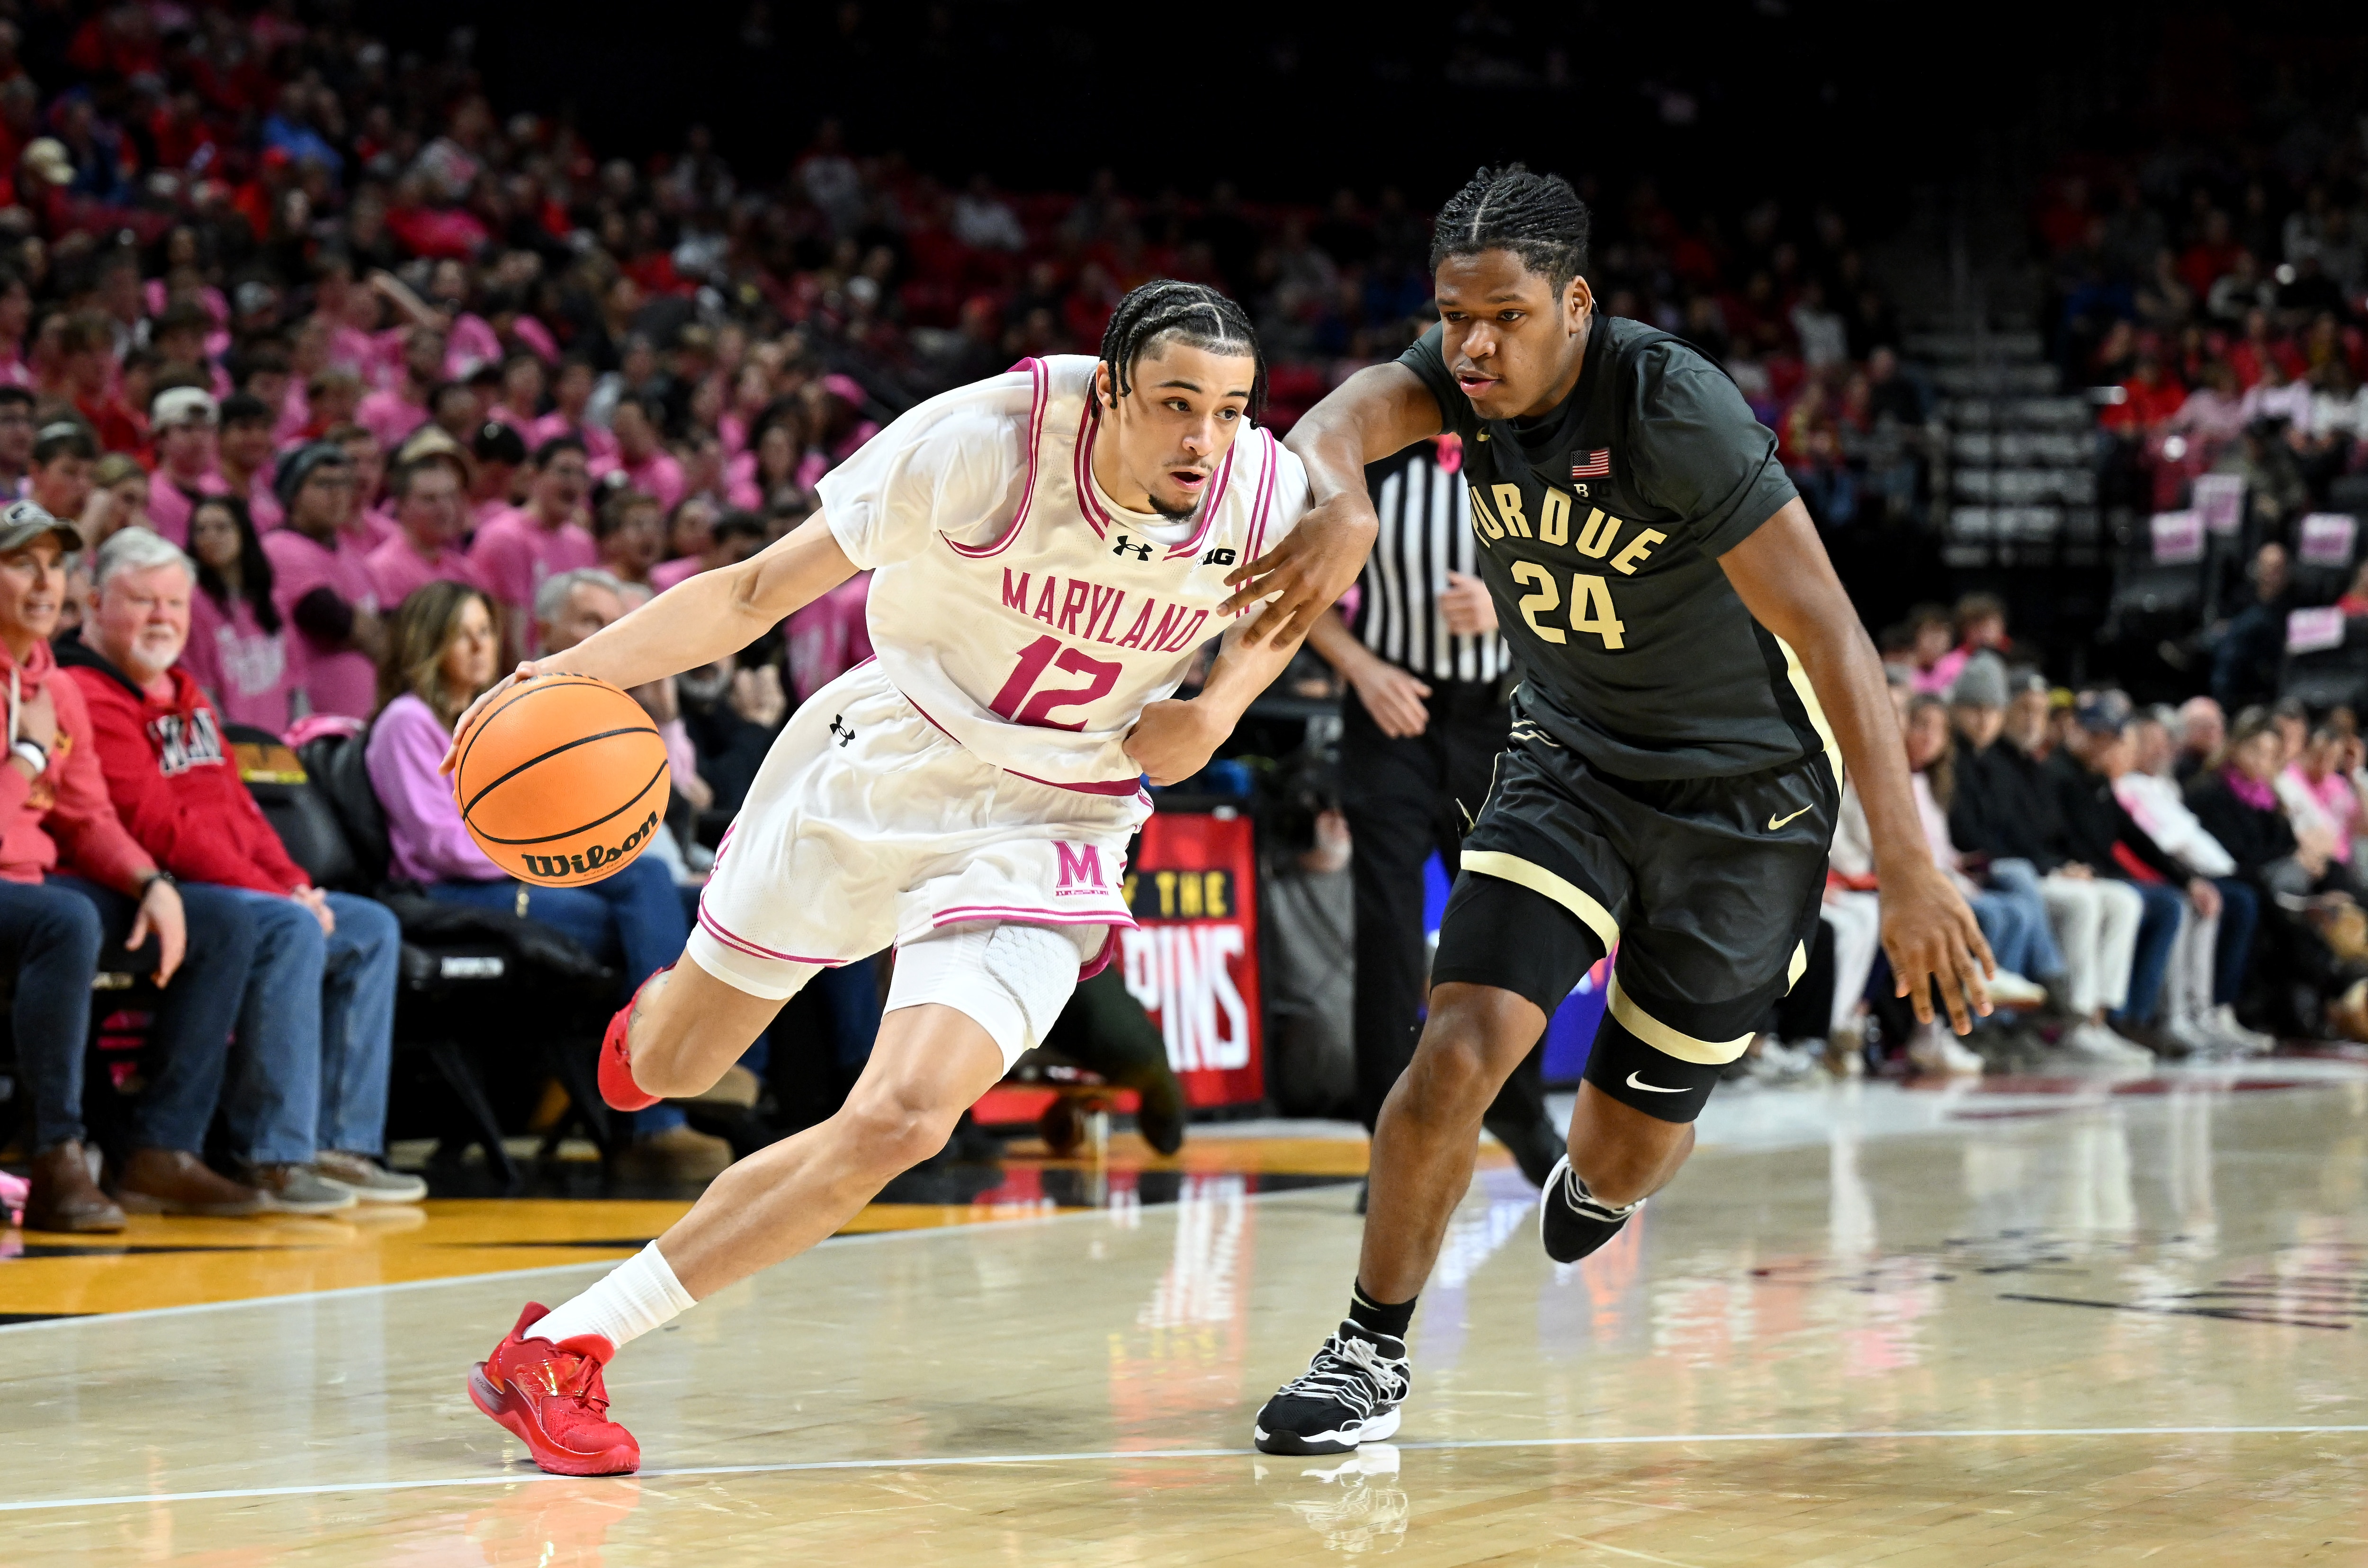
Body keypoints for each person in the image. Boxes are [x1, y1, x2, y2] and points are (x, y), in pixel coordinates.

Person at [453, 279, 1316, 1476]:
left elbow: (1303, 583)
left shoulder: (1267, 486)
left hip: (1054, 812)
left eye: (1229, 412)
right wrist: (565, 674)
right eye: (1176, 406)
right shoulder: (978, 448)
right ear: (1109, 390)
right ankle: (655, 1025)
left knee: (904, 1118)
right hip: (886, 759)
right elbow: (755, 592)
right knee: (674, 1068)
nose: (1203, 441)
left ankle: (565, 1345)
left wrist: (1217, 706)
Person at [1243, 167, 1987, 1457]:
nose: (1473, 344)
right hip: (1570, 760)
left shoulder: (1669, 406)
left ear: (1575, 305)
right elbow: (1335, 421)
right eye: (1453, 315)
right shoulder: (1458, 372)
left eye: (1506, 317)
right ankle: (1368, 1345)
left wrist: (1911, 863)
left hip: (1742, 806)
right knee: (1457, 1045)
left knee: (1627, 1154)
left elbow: (1833, 633)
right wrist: (1347, 494)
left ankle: (1600, 1175)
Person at [61, 528, 418, 1207]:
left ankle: (341, 1143)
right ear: (98, 601)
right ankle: (272, 1155)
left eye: (175, 602)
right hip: (159, 889)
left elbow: (239, 807)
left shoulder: (186, 688)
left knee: (370, 926)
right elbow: (158, 827)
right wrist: (281, 900)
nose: (163, 616)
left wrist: (294, 882)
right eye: (143, 601)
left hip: (240, 887)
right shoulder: (87, 688)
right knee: (289, 931)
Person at [361, 581, 717, 1179]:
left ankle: (703, 1067)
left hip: (515, 873)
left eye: (486, 631)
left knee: (686, 896)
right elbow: (440, 842)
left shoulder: (497, 716)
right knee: (643, 901)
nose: (479, 646)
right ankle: (661, 1107)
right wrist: (541, 854)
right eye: (462, 634)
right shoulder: (407, 721)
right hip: (454, 891)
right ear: (428, 643)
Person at [1302, 426, 1561, 1187]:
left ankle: (1517, 1107)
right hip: (1390, 712)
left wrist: (1506, 606)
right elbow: (1297, 588)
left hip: (1492, 719)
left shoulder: (1535, 463)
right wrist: (1360, 667)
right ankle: (1390, 1139)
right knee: (1385, 929)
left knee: (1508, 920)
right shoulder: (1368, 468)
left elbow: (1589, 596)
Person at [0, 499, 265, 1230]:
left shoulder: (53, 687)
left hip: (32, 885)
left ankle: (161, 1147)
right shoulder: (43, 700)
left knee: (218, 918)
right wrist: (27, 753)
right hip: (24, 895)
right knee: (65, 917)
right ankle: (59, 1155)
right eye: (22, 561)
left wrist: (152, 883)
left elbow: (88, 819)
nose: (43, 580)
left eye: (53, 564)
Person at [1950, 669, 2152, 1065]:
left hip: (2036, 869)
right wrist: (2054, 868)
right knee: (2082, 904)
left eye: (2039, 713)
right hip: (2007, 871)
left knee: (2123, 900)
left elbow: (2050, 834)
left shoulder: (2033, 766)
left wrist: (2065, 865)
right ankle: (2071, 1015)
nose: (2031, 720)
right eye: (2023, 709)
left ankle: (2097, 1017)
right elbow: (1994, 837)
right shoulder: (1984, 762)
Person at [263, 441, 381, 720]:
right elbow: (333, 621)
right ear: (294, 495)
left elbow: (387, 624)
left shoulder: (350, 554)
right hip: (319, 721)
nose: (338, 495)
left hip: (364, 718)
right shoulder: (280, 547)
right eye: (324, 485)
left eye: (343, 484)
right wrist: (371, 634)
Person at [469, 435, 597, 663]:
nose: (574, 482)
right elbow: (508, 637)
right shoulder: (505, 537)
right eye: (565, 471)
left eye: (582, 474)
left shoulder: (582, 543)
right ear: (534, 476)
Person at [181, 494, 296, 732]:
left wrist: (302, 739)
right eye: (201, 530)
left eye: (222, 528)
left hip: (283, 746)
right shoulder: (192, 604)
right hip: (233, 745)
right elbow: (202, 689)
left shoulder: (273, 600)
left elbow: (296, 684)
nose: (210, 538)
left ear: (243, 532)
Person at [365, 450, 481, 609]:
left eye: (450, 497)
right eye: (429, 499)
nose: (445, 509)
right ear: (401, 506)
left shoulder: (462, 569)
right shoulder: (384, 570)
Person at [143, 385, 227, 547]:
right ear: (161, 439)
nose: (198, 438)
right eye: (186, 429)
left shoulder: (220, 491)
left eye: (206, 429)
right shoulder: (148, 496)